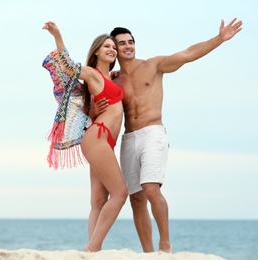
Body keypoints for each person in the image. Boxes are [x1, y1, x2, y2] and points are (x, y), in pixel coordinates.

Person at [92, 18, 243, 253]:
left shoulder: (153, 65)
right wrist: (92, 110)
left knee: (151, 188)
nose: (128, 46)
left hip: (153, 133)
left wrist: (219, 39)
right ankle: (149, 253)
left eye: (131, 41)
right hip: (128, 138)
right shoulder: (115, 80)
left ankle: (165, 245)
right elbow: (93, 103)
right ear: (114, 48)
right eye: (121, 43)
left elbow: (188, 54)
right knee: (136, 199)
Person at [42, 21, 128, 252]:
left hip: (105, 141)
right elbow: (69, 66)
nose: (112, 49)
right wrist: (58, 35)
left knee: (99, 200)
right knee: (120, 193)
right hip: (98, 137)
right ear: (97, 51)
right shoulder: (92, 73)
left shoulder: (112, 76)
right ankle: (93, 247)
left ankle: (93, 253)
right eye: (107, 46)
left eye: (114, 47)